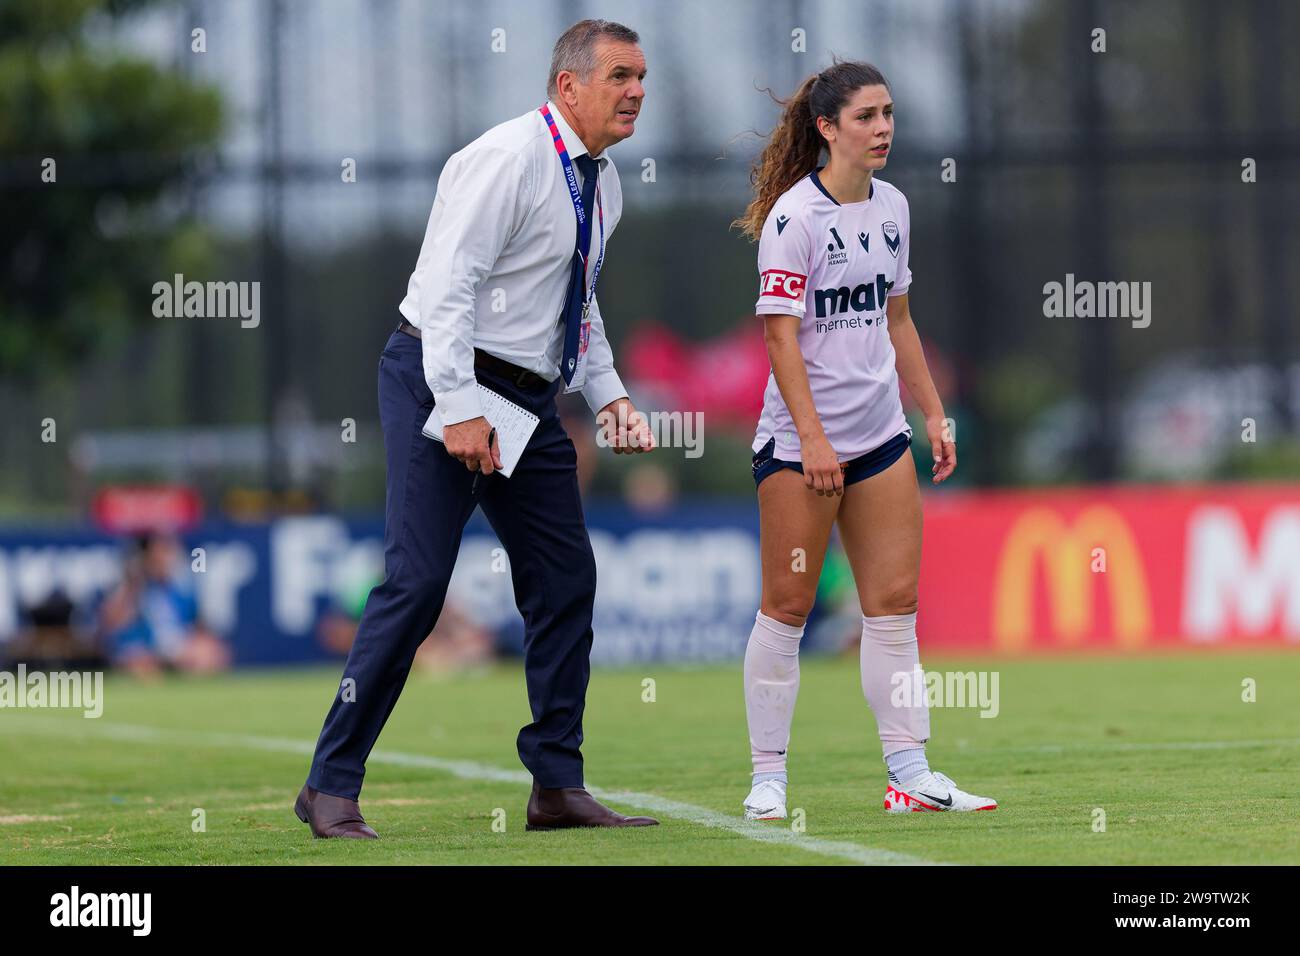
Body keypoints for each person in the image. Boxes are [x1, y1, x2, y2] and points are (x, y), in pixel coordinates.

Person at [295, 19, 659, 839]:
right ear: (569, 87)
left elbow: (578, 304)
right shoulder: (507, 158)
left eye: (642, 77)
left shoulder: (604, 183)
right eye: (620, 76)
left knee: (566, 582)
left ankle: (556, 787)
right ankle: (329, 785)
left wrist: (611, 397)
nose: (637, 90)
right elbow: (449, 287)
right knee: (417, 583)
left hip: (527, 398)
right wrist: (456, 405)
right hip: (440, 376)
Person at [731, 60, 997, 818]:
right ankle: (768, 776)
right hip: (800, 447)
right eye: (866, 116)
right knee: (788, 606)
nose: (882, 128)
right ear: (827, 128)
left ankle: (909, 774)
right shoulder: (794, 220)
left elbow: (898, 320)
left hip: (881, 439)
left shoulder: (893, 208)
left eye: (888, 113)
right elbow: (779, 339)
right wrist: (811, 439)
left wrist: (934, 411)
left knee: (895, 603)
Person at [99, 532, 231, 678]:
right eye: (159, 554)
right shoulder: (132, 586)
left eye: (167, 553)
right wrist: (134, 587)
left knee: (210, 654)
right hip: (144, 648)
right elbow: (112, 624)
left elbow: (196, 623)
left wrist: (198, 642)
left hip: (177, 647)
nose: (165, 560)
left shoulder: (181, 588)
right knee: (142, 668)